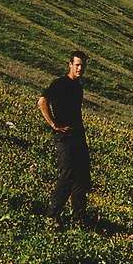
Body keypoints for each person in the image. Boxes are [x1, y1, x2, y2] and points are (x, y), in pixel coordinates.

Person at [38, 50, 91, 228]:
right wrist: (53, 124)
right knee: (68, 175)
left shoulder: (78, 86)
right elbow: (42, 101)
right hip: (64, 136)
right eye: (77, 65)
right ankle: (51, 216)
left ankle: (79, 218)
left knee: (81, 177)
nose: (80, 68)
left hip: (78, 136)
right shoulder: (60, 83)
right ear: (70, 64)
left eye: (82, 65)